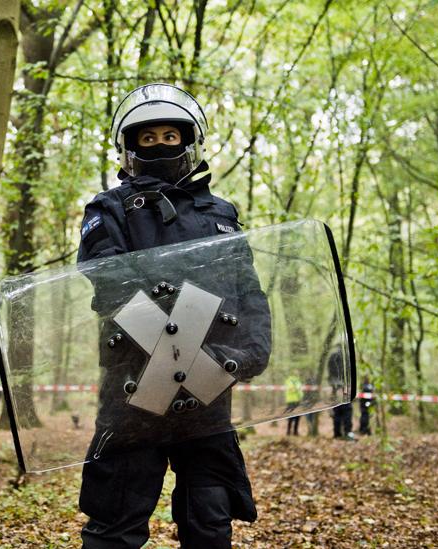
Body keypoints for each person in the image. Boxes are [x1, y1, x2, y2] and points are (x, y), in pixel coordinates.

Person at [77, 83, 272, 549]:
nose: (161, 144)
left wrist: (249, 353)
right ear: (129, 147)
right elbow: (112, 287)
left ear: (189, 141)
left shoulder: (220, 213)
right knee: (116, 522)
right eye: (148, 138)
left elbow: (247, 291)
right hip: (136, 390)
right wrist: (179, 351)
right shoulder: (108, 209)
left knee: (210, 520)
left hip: (208, 390)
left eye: (170, 136)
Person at [328, 346, 355, 441]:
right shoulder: (345, 357)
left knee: (337, 411)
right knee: (347, 410)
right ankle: (347, 432)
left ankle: (337, 433)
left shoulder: (332, 357)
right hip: (343, 388)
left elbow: (329, 373)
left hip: (335, 388)